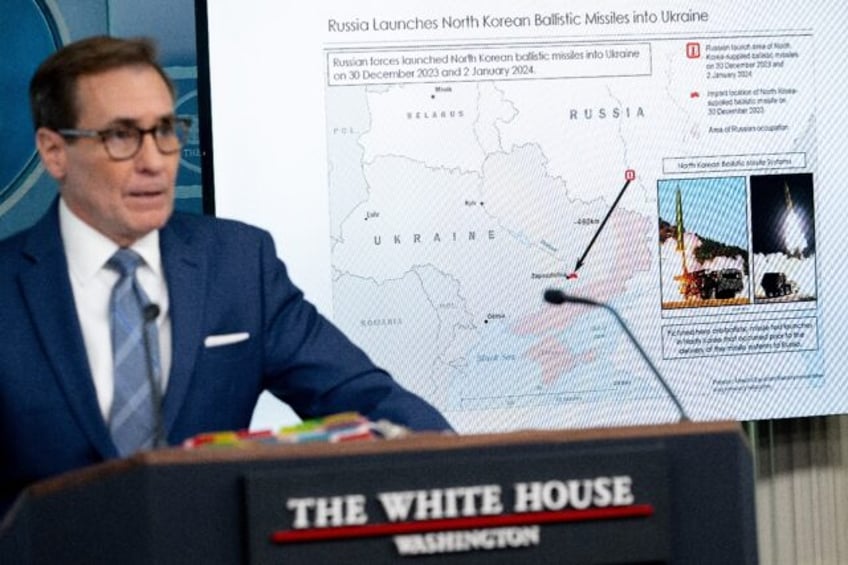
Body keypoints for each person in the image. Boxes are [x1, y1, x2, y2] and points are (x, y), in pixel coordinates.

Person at [0, 36, 452, 517]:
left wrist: (472, 476)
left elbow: (362, 398)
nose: (154, 161)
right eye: (121, 136)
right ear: (54, 152)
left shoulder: (238, 265)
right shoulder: (10, 288)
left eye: (166, 131)